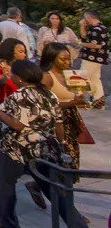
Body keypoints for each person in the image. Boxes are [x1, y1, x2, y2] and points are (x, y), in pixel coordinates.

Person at [0, 60, 89, 228]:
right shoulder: (49, 94)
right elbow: (58, 124)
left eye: (13, 74)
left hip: (16, 150)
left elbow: (17, 124)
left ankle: (8, 222)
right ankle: (77, 224)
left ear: (20, 78)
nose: (11, 77)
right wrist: (62, 144)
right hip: (45, 150)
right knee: (55, 192)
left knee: (7, 187)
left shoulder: (18, 96)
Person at [41, 42, 89, 181]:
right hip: (56, 124)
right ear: (51, 58)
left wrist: (84, 101)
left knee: (71, 162)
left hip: (71, 123)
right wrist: (71, 103)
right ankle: (61, 197)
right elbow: (44, 104)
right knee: (62, 163)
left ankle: (59, 193)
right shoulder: (47, 77)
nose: (68, 62)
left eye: (69, 58)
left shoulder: (71, 75)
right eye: (63, 59)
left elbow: (77, 99)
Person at [0, 39, 28, 140]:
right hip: (5, 102)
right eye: (20, 52)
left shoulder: (25, 65)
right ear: (10, 52)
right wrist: (5, 77)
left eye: (24, 52)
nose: (24, 55)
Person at [78, 8, 108, 109]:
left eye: (85, 19)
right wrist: (82, 26)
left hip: (92, 58)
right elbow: (84, 37)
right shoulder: (97, 28)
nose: (84, 20)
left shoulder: (97, 29)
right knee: (95, 79)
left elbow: (97, 45)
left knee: (81, 77)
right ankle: (98, 102)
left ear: (89, 17)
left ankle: (77, 100)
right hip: (96, 58)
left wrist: (80, 44)